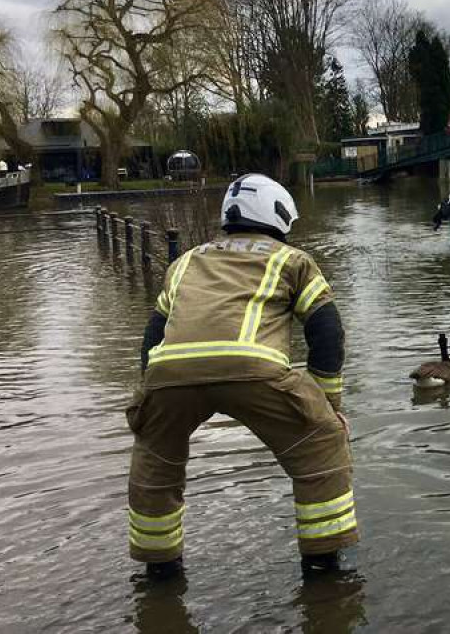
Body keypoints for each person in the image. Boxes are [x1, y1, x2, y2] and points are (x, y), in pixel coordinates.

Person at [127, 173, 358, 580]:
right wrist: (328, 405)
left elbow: (152, 335)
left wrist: (147, 396)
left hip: (169, 372)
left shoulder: (184, 263)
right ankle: (324, 569)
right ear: (279, 215)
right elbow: (326, 329)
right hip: (253, 369)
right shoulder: (293, 260)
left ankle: (160, 575)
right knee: (321, 444)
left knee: (155, 458)